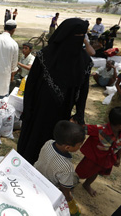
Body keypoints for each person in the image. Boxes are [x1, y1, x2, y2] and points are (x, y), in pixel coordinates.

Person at [17, 18, 93, 164]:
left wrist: (80, 113)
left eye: (82, 36)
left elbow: (83, 89)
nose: (80, 40)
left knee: (54, 141)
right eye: (78, 36)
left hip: (62, 111)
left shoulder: (84, 61)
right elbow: (31, 85)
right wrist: (28, 109)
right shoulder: (44, 56)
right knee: (33, 142)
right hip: (38, 110)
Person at [76, 107, 121, 197]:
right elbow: (82, 129)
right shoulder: (100, 129)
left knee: (95, 173)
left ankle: (87, 184)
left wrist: (118, 158)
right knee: (80, 172)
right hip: (92, 159)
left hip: (106, 160)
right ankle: (70, 183)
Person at [34, 120, 85, 215]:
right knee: (72, 181)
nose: (80, 147)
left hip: (35, 175)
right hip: (48, 189)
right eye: (79, 145)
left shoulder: (48, 143)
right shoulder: (67, 168)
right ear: (68, 148)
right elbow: (65, 191)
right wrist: (70, 201)